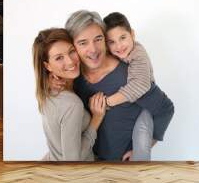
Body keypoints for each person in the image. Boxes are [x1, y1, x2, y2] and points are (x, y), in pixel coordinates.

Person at [65, 10, 151, 161]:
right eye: (83, 42)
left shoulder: (130, 74)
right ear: (72, 47)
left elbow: (160, 108)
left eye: (98, 39)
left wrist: (142, 149)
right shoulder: (74, 79)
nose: (93, 49)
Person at [102, 12, 175, 160]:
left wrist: (108, 102)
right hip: (142, 105)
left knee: (142, 141)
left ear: (132, 34)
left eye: (123, 38)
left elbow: (139, 85)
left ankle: (140, 173)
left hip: (152, 108)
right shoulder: (115, 55)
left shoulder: (138, 54)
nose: (119, 46)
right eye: (112, 42)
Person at [32, 28, 106, 161]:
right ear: (47, 66)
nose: (70, 61)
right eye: (59, 58)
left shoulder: (46, 92)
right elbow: (73, 160)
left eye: (71, 51)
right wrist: (96, 119)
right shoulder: (72, 104)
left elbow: (57, 147)